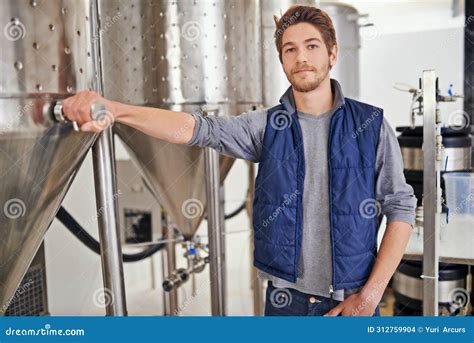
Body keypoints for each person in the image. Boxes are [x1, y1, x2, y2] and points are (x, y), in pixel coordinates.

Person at [62, 5, 416, 316]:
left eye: (312, 47)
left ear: (332, 53)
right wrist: (118, 110)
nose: (301, 58)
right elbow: (196, 129)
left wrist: (370, 296)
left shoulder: (369, 125)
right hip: (283, 301)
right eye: (290, 50)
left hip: (349, 299)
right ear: (282, 61)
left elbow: (400, 208)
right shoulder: (266, 125)